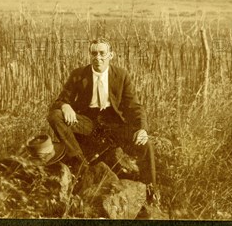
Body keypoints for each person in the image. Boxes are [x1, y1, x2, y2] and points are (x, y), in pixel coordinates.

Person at [47, 38, 158, 201]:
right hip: (88, 123)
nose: (97, 57)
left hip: (115, 125)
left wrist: (142, 129)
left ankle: (151, 190)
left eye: (102, 53)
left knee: (145, 144)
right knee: (55, 116)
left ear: (110, 55)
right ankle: (81, 164)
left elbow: (135, 106)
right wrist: (65, 106)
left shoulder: (121, 75)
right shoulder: (79, 74)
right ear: (90, 55)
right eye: (94, 53)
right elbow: (60, 100)